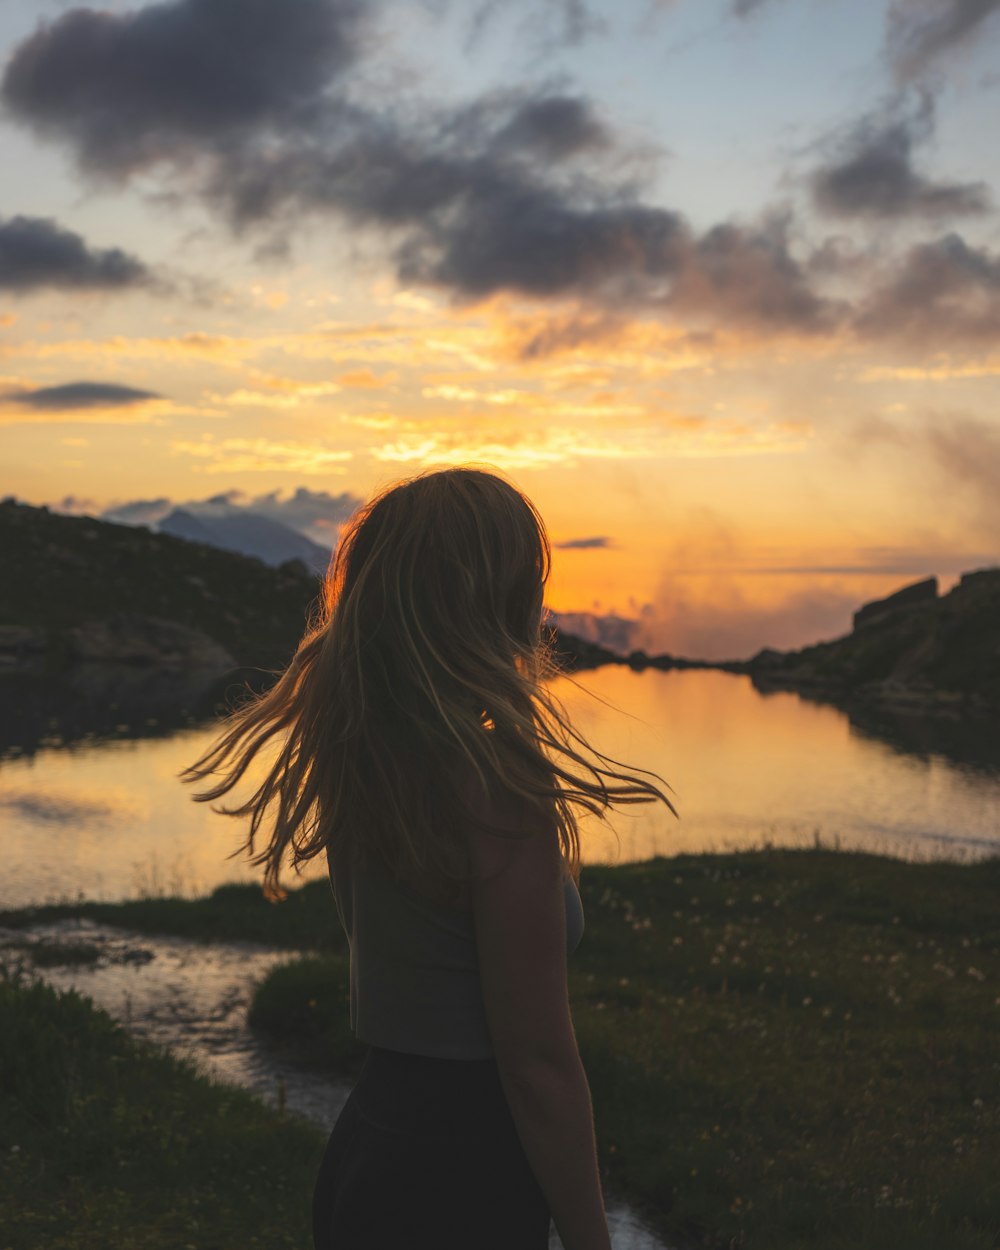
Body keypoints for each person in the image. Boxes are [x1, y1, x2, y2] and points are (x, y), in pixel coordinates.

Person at [181, 467, 676, 1250]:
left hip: (370, 1146)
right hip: (465, 1173)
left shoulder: (360, 749)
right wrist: (589, 1237)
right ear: (494, 597)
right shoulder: (496, 787)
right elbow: (539, 1067)